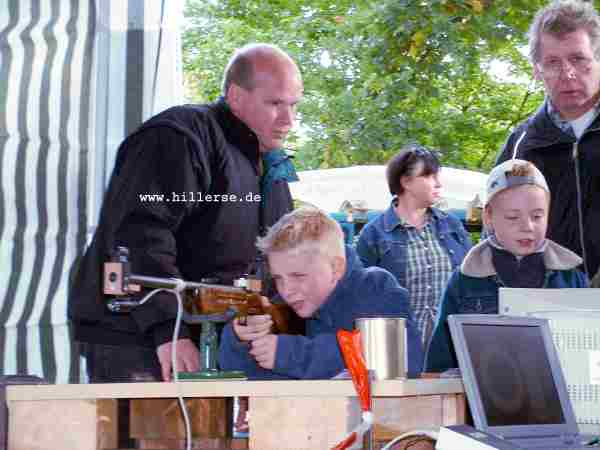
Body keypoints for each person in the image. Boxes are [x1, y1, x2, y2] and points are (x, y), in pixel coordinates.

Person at [68, 43, 304, 383]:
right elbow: (141, 231)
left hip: (211, 337)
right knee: (155, 437)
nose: (288, 120)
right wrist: (168, 330)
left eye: (294, 105)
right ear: (236, 97)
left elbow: (273, 259)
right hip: (138, 335)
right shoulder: (179, 137)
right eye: (275, 104)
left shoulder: (271, 169)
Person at [218, 207, 423, 379]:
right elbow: (241, 376)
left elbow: (398, 358)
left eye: (299, 276)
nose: (286, 290)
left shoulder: (376, 288)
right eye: (278, 278)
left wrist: (293, 355)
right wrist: (240, 339)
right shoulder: (286, 307)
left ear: (336, 268)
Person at [424, 159, 588, 373]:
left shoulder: (573, 279)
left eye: (537, 216)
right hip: (485, 403)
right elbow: (439, 365)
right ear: (489, 217)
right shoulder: (465, 281)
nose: (527, 226)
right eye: (513, 217)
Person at [496, 0, 600, 281]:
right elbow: (496, 236)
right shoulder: (522, 146)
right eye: (553, 62)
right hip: (546, 304)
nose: (568, 73)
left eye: (578, 59)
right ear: (537, 70)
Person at [356, 144, 472, 348]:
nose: (438, 183)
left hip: (449, 347)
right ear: (406, 181)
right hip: (397, 347)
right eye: (429, 176)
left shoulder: (453, 226)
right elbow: (361, 298)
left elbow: (468, 284)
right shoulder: (373, 234)